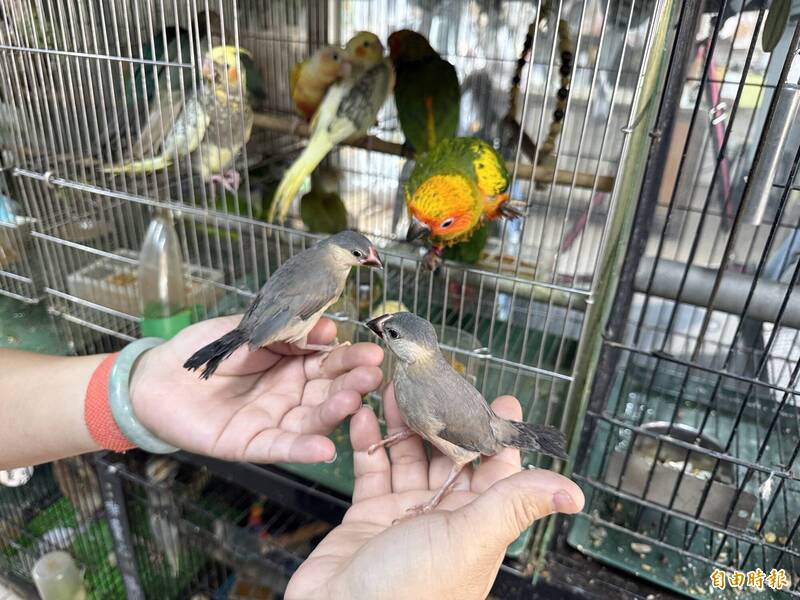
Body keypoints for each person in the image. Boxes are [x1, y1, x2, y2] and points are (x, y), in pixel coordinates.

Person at [0, 315, 584, 598]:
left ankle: (519, 440)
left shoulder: (427, 391)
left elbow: (463, 451)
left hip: (479, 435)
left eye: (391, 335)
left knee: (465, 443)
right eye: (387, 333)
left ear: (417, 348)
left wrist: (438, 486)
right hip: (463, 420)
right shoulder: (413, 383)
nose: (383, 335)